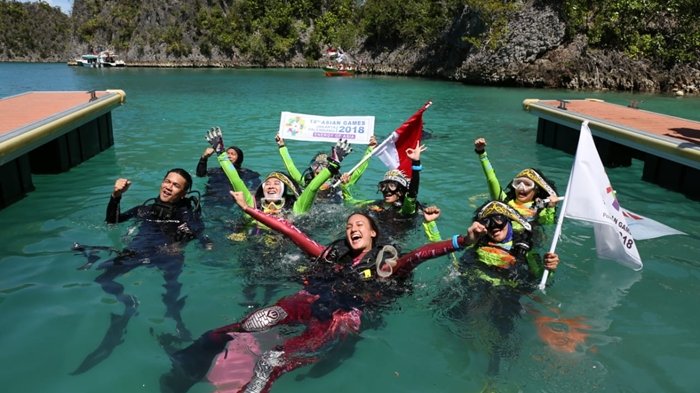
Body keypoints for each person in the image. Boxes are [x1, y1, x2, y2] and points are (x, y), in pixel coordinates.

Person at [159, 192, 477, 393]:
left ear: (374, 233)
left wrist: (462, 240)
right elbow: (290, 231)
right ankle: (185, 369)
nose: (353, 228)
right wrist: (251, 210)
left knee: (273, 360)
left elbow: (421, 253)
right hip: (309, 301)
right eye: (350, 224)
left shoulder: (387, 264)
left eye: (360, 225)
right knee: (247, 324)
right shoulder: (330, 254)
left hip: (343, 316)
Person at [71, 169, 205, 375]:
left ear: (184, 193)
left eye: (176, 185)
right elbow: (113, 221)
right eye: (167, 181)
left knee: (171, 296)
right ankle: (129, 302)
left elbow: (196, 230)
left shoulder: (186, 214)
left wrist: (178, 244)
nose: (168, 186)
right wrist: (116, 197)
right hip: (138, 252)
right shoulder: (147, 210)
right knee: (103, 278)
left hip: (167, 256)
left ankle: (178, 331)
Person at [431, 200, 559, 378]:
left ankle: (493, 377)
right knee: (447, 316)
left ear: (508, 220)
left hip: (506, 293)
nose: (494, 227)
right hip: (476, 288)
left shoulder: (525, 251)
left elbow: (541, 283)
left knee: (502, 336)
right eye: (487, 222)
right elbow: (443, 251)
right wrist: (430, 224)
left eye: (498, 220)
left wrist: (550, 270)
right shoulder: (475, 245)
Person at [341, 141, 427, 240]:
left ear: (400, 191)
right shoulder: (376, 204)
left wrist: (416, 163)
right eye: (383, 186)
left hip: (393, 243)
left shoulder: (406, 209)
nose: (387, 190)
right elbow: (350, 202)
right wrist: (345, 186)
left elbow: (412, 192)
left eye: (392, 186)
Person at [474, 137, 559, 229]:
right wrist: (482, 154)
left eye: (527, 184)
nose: (521, 187)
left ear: (536, 189)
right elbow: (491, 179)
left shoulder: (540, 208)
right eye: (518, 183)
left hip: (526, 240)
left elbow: (548, 224)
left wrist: (551, 207)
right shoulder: (504, 201)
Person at [275, 134, 378, 203]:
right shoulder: (306, 181)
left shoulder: (341, 181)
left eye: (324, 166)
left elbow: (359, 168)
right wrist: (282, 146)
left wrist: (370, 149)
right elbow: (291, 168)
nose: (319, 170)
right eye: (316, 165)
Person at [196, 127, 261, 202]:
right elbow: (200, 175)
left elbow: (256, 186)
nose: (229, 156)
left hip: (230, 200)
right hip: (211, 198)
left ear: (239, 158)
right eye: (227, 153)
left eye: (233, 154)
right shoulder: (214, 171)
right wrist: (204, 158)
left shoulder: (247, 173)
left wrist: (251, 195)